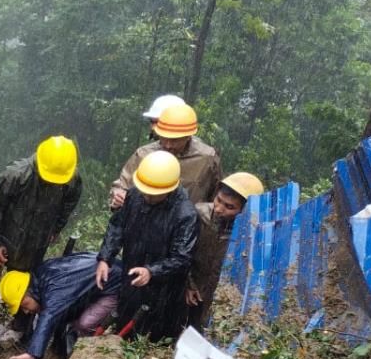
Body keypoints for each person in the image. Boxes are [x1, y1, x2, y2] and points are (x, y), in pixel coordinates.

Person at [0, 136, 82, 322]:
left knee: (27, 285)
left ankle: (21, 326)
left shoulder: (70, 178)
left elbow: (69, 203)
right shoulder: (16, 175)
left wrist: (56, 228)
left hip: (36, 240)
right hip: (4, 234)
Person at [97, 150, 198, 342]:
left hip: (164, 293)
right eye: (145, 191)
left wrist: (151, 271)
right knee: (124, 328)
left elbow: (182, 258)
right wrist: (105, 258)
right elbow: (117, 225)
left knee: (151, 339)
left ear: (169, 190)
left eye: (154, 194)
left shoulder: (185, 215)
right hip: (132, 277)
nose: (148, 197)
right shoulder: (135, 195)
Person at [2, 253, 123, 359]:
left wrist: (32, 354)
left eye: (24, 305)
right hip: (96, 286)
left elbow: (49, 315)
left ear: (26, 296)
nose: (26, 311)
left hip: (116, 285)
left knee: (84, 324)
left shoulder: (55, 287)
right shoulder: (42, 276)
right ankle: (60, 354)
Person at [185, 172, 264, 331]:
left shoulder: (252, 232)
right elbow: (183, 251)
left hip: (222, 296)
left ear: (245, 210)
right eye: (218, 200)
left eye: (229, 207)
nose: (219, 208)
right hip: (191, 288)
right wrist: (188, 284)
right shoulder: (199, 214)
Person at [110, 103, 221, 210]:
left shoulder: (207, 158)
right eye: (163, 137)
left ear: (188, 136)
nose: (168, 145)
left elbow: (218, 199)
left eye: (175, 140)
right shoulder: (144, 154)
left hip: (188, 225)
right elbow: (121, 185)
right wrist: (118, 194)